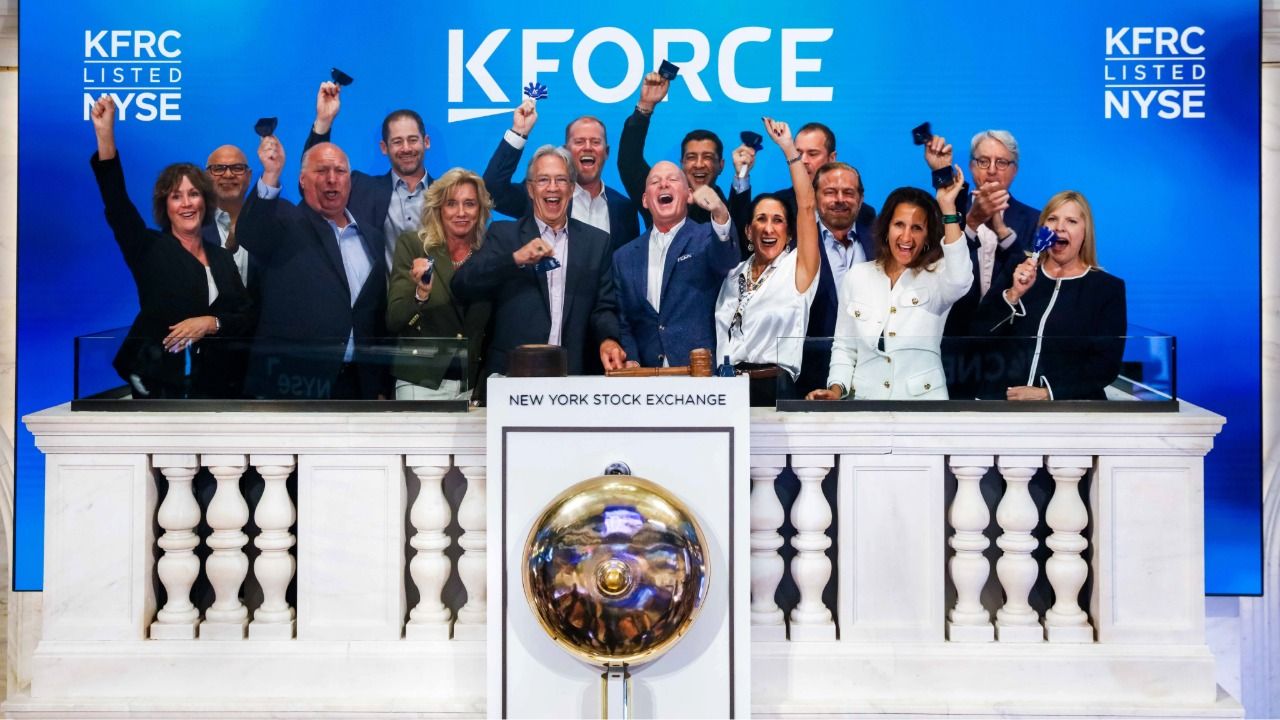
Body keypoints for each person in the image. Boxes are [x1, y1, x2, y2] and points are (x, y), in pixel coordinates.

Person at [88, 94, 254, 399]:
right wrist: (105, 135)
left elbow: (244, 317)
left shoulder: (220, 256)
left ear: (205, 200)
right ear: (166, 205)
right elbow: (117, 202)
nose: (187, 203)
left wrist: (210, 323)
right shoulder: (148, 248)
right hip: (158, 385)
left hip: (217, 387)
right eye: (177, 196)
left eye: (193, 194)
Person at [452, 145, 625, 377]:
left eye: (561, 180)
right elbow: (462, 284)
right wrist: (515, 259)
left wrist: (608, 339)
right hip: (512, 375)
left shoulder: (597, 242)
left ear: (572, 189)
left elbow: (603, 307)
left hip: (572, 376)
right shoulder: (504, 235)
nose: (552, 187)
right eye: (543, 179)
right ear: (530, 190)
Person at [238, 135, 389, 399]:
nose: (332, 179)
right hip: (294, 383)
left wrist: (380, 384)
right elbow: (252, 233)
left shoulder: (372, 236)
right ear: (302, 180)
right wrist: (271, 175)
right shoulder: (286, 222)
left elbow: (374, 315)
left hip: (359, 385)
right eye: (321, 171)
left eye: (340, 171)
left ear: (349, 181)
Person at [807, 173, 973, 401]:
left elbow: (961, 279)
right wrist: (836, 390)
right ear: (886, 228)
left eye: (917, 228)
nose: (906, 236)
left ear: (927, 236)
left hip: (923, 408)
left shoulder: (939, 275)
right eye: (899, 225)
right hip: (866, 405)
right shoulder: (858, 276)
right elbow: (845, 347)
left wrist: (948, 210)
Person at [973, 190, 1127, 400]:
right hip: (1002, 404)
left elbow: (1105, 365)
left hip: (1068, 413)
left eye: (1071, 221)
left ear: (1085, 232)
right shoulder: (1014, 269)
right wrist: (1013, 294)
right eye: (1052, 219)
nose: (1059, 227)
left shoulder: (1107, 288)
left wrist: (1048, 393)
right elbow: (979, 335)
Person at [713, 118, 822, 406]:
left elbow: (807, 205)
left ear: (789, 233)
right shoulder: (733, 274)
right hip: (727, 391)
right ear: (749, 230)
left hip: (773, 387)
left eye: (778, 220)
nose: (769, 228)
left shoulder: (798, 268)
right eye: (761, 219)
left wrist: (788, 148)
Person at [612, 161, 738, 369]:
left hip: (700, 373)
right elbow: (623, 320)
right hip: (645, 378)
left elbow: (727, 261)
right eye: (655, 181)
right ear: (645, 200)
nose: (663, 185)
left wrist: (720, 213)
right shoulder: (623, 257)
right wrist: (631, 358)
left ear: (689, 195)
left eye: (672, 179)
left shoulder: (708, 237)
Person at [386, 169, 493, 401]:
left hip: (470, 387)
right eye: (452, 204)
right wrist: (421, 293)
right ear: (439, 209)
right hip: (420, 382)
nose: (461, 212)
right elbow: (394, 318)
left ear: (481, 209)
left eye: (470, 204)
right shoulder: (414, 245)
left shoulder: (487, 256)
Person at [482, 100, 640, 253]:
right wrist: (519, 132)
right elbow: (492, 190)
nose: (587, 147)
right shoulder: (541, 195)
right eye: (579, 141)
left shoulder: (624, 209)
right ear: (566, 151)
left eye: (595, 142)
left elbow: (627, 268)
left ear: (606, 152)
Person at [306, 81, 432, 269]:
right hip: (377, 297)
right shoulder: (360, 189)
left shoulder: (447, 194)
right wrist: (324, 121)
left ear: (426, 142)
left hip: (439, 298)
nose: (406, 148)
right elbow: (315, 182)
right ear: (384, 148)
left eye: (412, 140)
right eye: (397, 141)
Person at [729, 122, 876, 257]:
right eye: (798, 154)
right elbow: (739, 241)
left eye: (812, 154)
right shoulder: (778, 205)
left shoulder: (863, 214)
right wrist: (742, 176)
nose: (803, 160)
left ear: (832, 158)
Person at [793, 161, 877, 396]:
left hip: (874, 381)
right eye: (830, 192)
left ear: (860, 199)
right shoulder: (795, 246)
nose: (839, 199)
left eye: (848, 193)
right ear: (815, 196)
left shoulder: (883, 243)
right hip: (810, 381)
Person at [618, 71, 728, 229]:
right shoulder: (660, 199)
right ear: (682, 164)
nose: (698, 164)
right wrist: (645, 107)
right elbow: (629, 161)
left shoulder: (731, 211)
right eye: (691, 157)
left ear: (721, 165)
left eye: (707, 157)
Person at [203, 145, 255, 290]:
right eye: (219, 168)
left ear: (249, 176)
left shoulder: (268, 223)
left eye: (237, 168)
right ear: (207, 177)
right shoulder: (192, 227)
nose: (228, 175)